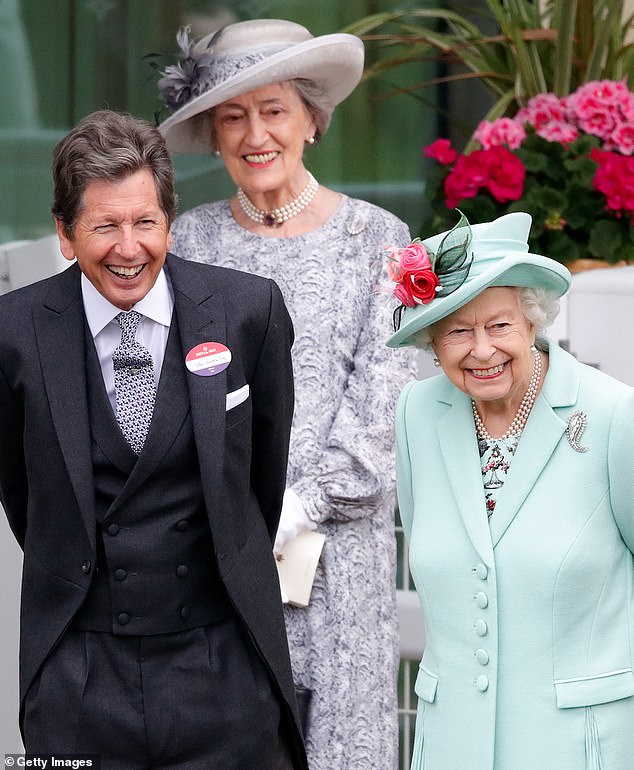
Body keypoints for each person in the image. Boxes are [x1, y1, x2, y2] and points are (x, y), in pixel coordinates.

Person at [0, 109, 308, 770]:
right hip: (79, 678)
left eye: (145, 222)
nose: (129, 248)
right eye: (105, 226)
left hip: (224, 668)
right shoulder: (14, 334)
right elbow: (25, 500)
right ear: (63, 232)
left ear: (169, 219)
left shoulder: (249, 311)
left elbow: (261, 477)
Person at [156, 18, 414, 770]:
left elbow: (387, 405)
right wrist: (237, 516)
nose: (254, 133)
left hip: (341, 560)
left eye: (273, 110)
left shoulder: (380, 239)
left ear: (310, 120)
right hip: (217, 560)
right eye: (233, 116)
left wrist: (300, 506)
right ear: (214, 131)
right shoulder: (189, 245)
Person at [386, 211, 634, 769]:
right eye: (456, 330)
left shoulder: (614, 414)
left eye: (498, 325)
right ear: (432, 340)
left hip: (581, 748)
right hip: (452, 748)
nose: (480, 350)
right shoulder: (417, 415)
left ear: (531, 321)